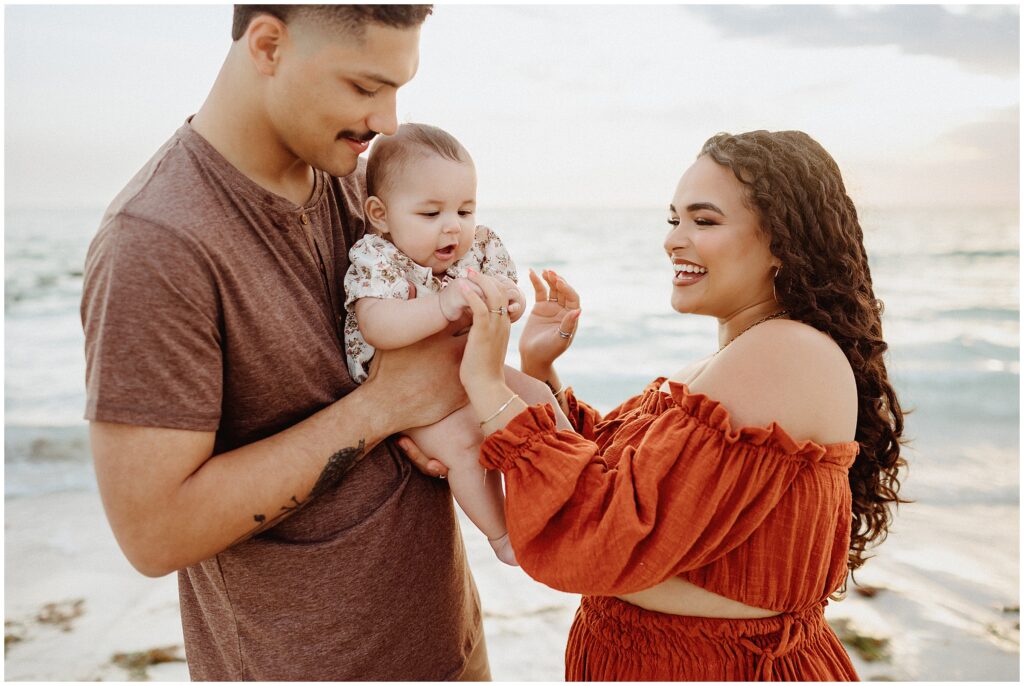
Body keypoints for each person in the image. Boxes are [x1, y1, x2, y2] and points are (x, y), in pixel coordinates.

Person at [79, 5, 510, 680]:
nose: (389, 120)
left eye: (399, 88)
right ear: (269, 45)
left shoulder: (358, 176)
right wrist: (383, 408)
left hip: (448, 645)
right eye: (367, 88)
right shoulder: (155, 244)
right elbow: (154, 534)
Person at [409, 130, 907, 680]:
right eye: (674, 220)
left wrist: (484, 380)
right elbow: (622, 480)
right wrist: (538, 369)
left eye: (705, 220)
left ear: (782, 242)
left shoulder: (788, 350)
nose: (674, 241)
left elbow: (608, 533)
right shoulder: (735, 360)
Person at [343, 122, 573, 566]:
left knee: (539, 396)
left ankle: (579, 480)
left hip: (466, 368)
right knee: (464, 446)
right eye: (431, 215)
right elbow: (377, 326)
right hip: (406, 393)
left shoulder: (478, 248)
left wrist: (510, 300)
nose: (452, 228)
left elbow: (510, 296)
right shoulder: (378, 258)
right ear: (380, 213)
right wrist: (443, 307)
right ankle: (503, 535)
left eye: (464, 212)